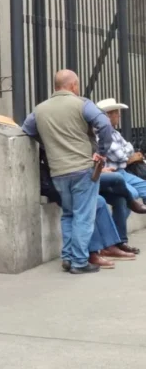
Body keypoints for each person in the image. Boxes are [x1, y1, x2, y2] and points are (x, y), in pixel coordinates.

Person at [22, 69, 113, 274]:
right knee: (83, 216)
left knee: (69, 214)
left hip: (58, 171)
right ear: (73, 85)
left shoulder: (39, 109)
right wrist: (101, 153)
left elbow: (27, 130)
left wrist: (47, 143)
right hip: (83, 168)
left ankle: (68, 257)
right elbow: (105, 125)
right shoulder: (82, 103)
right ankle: (79, 262)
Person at [96, 98, 146, 255]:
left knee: (143, 188)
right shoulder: (102, 133)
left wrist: (128, 154)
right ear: (108, 115)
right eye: (116, 113)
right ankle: (116, 239)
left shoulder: (115, 132)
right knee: (130, 195)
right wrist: (128, 155)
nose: (119, 115)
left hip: (122, 172)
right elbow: (120, 155)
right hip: (112, 173)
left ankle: (116, 238)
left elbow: (128, 148)